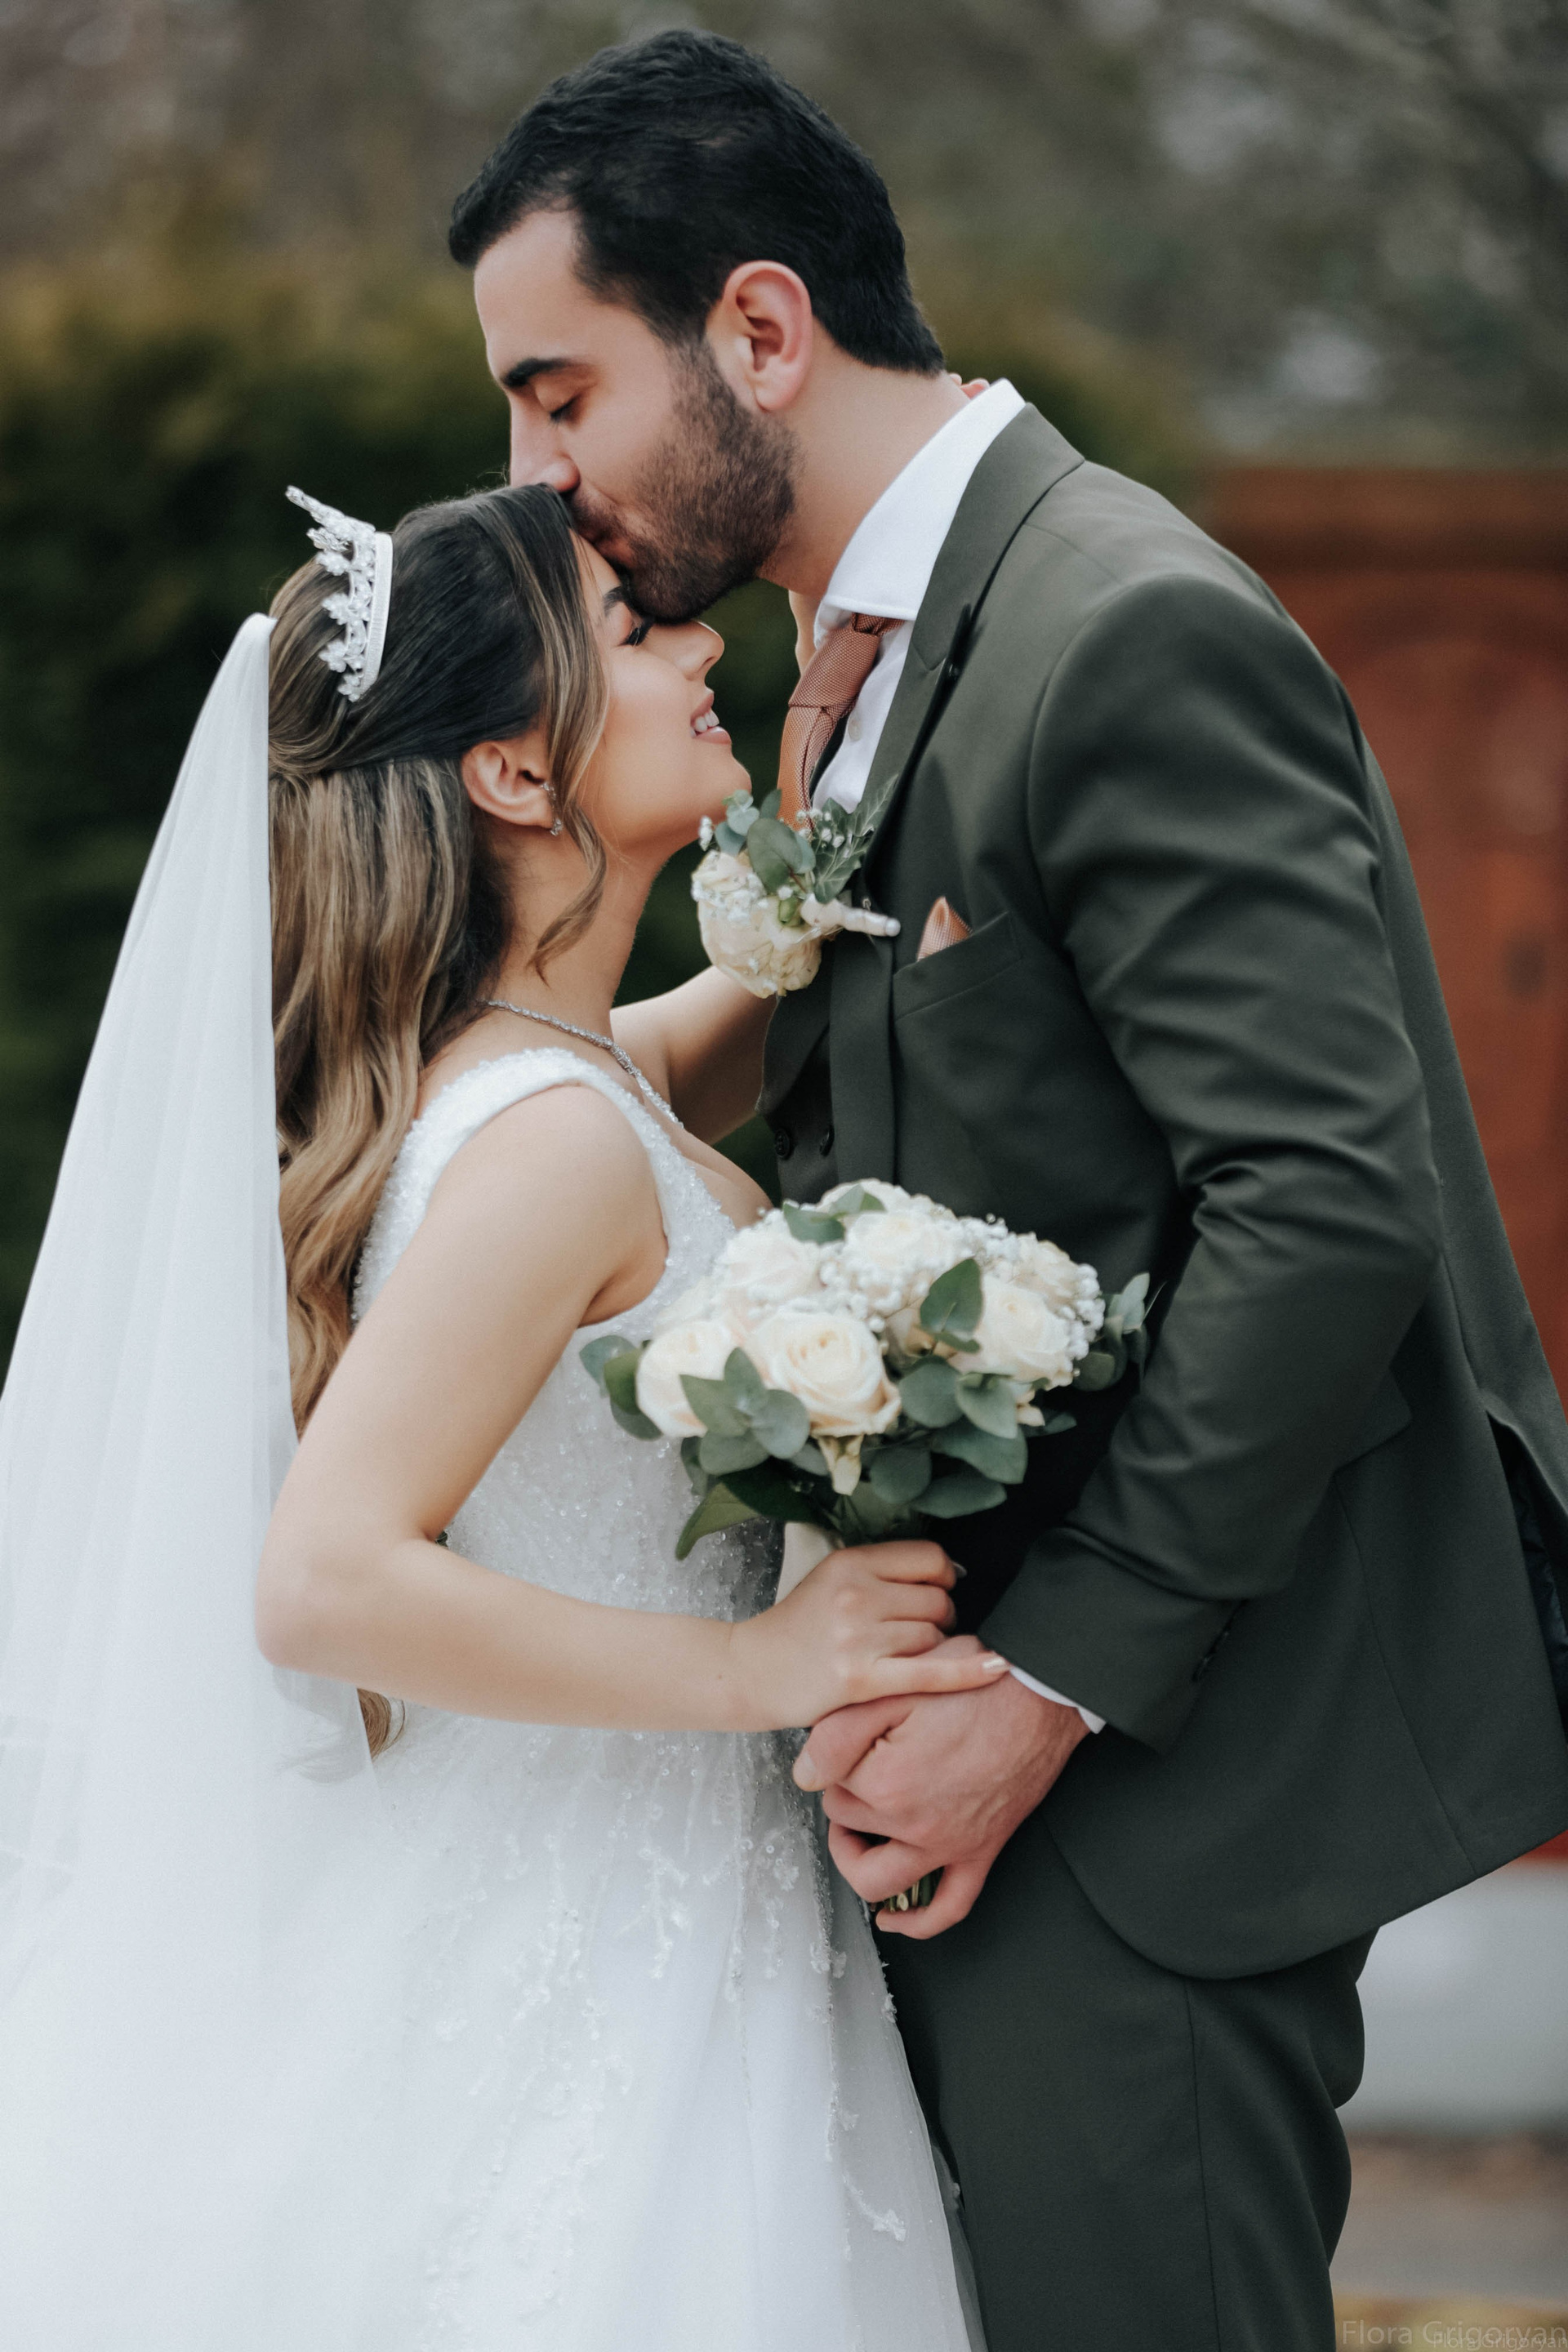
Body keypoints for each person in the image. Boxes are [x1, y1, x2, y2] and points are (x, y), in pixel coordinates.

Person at [448, 30, 1568, 2350]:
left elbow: (1323, 1207)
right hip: (947, 1772)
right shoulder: (852, 670)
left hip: (1156, 1789)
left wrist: (1047, 1690)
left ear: (762, 329)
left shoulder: (1121, 626)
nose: (538, 476)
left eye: (562, 397)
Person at [0, 479, 994, 2347]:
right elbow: (324, 1583)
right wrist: (760, 1666)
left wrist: (847, 786)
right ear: (515, 774)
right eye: (637, 629)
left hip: (620, 1885)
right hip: (604, 1929)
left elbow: (729, 1017)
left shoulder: (551, 1076)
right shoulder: (551, 1145)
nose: (700, 641)